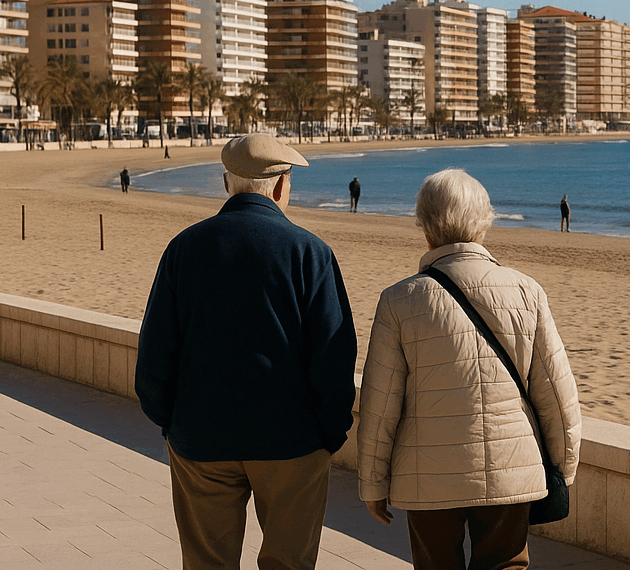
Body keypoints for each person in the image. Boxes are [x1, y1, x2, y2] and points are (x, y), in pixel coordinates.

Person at [135, 133, 357, 570]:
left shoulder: (184, 248)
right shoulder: (310, 253)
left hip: (200, 439)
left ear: (225, 184)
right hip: (292, 443)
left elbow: (156, 351)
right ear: (280, 187)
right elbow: (334, 356)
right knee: (288, 563)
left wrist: (170, 423)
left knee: (206, 563)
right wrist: (330, 435)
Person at [358, 168, 581, 570]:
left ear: (425, 229)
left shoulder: (399, 301)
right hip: (511, 471)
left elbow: (380, 404)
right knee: (507, 564)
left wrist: (372, 483)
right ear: (484, 224)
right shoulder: (526, 290)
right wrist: (564, 465)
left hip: (427, 477)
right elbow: (557, 393)